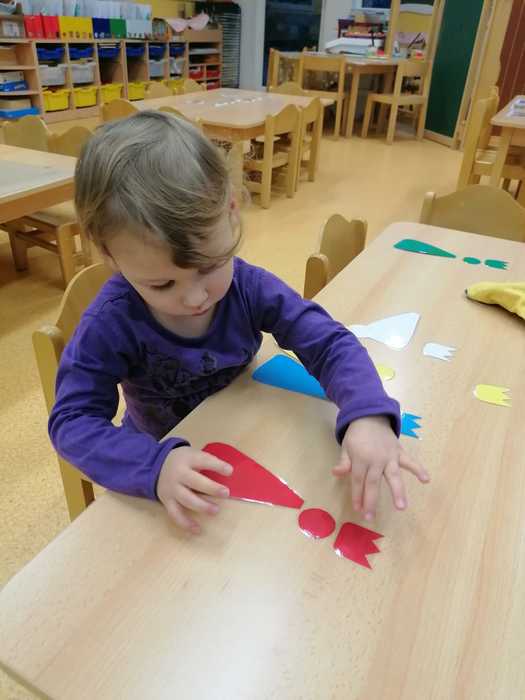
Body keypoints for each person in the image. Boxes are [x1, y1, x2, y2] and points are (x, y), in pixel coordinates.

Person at [49, 111, 429, 534]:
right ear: (109, 255)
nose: (195, 297)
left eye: (210, 266)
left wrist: (368, 413)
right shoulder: (111, 322)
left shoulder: (250, 288)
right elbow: (72, 421)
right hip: (159, 460)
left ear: (231, 211)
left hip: (246, 433)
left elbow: (328, 342)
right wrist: (154, 465)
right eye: (162, 284)